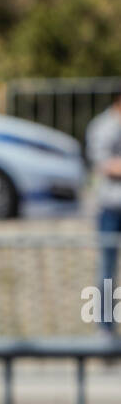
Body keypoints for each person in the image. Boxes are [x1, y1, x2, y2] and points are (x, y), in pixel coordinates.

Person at [86, 91, 121, 335]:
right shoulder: (103, 126)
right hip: (111, 206)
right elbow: (105, 165)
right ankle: (105, 331)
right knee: (107, 271)